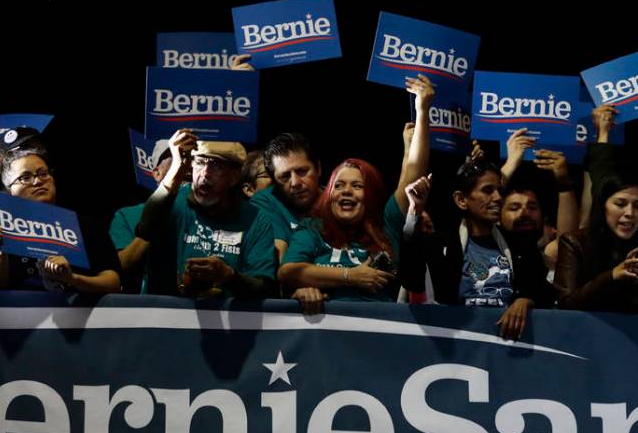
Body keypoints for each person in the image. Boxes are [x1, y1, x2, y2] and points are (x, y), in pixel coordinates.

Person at [278, 75, 434, 308]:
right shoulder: (314, 228)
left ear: (371, 196)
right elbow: (288, 272)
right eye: (338, 186)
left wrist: (422, 112)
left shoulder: (387, 223)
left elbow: (414, 171)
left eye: (357, 186)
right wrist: (351, 276)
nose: (346, 192)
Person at [400, 156, 556, 338]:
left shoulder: (520, 246)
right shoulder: (441, 245)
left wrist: (525, 299)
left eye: (499, 190)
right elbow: (410, 278)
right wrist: (414, 212)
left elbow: (546, 291)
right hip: (455, 346)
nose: (498, 198)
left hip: (507, 348)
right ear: (461, 200)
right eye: (488, 190)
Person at [135, 131, 276, 299]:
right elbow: (145, 230)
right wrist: (176, 167)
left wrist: (228, 276)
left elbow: (264, 287)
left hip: (227, 320)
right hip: (167, 316)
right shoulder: (175, 202)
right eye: (200, 162)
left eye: (216, 166)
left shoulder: (256, 219)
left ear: (234, 176)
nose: (205, 173)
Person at [0, 141, 122, 293]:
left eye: (43, 173)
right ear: (8, 191)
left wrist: (71, 279)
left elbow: (113, 281)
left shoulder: (85, 225)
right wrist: (1, 251)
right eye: (25, 177)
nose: (38, 181)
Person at [555, 174, 638, 314]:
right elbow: (565, 304)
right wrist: (612, 276)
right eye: (620, 204)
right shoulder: (575, 242)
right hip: (587, 332)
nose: (630, 213)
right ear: (603, 206)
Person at [109, 138, 176, 293]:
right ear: (157, 173)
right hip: (149, 307)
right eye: (176, 158)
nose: (184, 164)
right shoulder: (127, 215)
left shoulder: (206, 211)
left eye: (189, 158)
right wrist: (153, 221)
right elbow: (119, 266)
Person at [254, 132, 324, 261]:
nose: (295, 183)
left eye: (302, 171)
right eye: (285, 177)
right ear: (274, 181)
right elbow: (281, 260)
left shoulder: (338, 201)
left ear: (318, 168)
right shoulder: (267, 200)